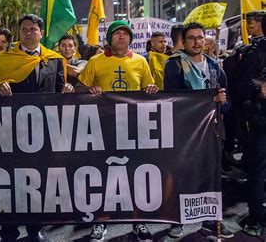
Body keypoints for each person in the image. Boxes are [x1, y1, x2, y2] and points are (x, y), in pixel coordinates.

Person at [0, 14, 73, 241]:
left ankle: (35, 229)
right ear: (19, 32)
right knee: (11, 181)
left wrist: (67, 89)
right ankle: (9, 230)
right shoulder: (6, 58)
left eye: (33, 29)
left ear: (41, 33)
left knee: (37, 180)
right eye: (24, 29)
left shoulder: (53, 59)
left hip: (43, 130)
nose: (28, 33)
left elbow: (60, 87)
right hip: (11, 131)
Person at [77, 20, 158, 242]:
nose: (121, 36)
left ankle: (138, 220)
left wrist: (151, 89)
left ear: (130, 39)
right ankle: (100, 222)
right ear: (110, 38)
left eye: (125, 33)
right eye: (117, 33)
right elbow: (79, 87)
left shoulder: (141, 62)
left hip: (133, 127)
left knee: (136, 174)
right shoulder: (95, 61)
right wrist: (88, 89)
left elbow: (149, 89)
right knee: (103, 175)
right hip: (103, 126)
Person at [163, 22, 233, 239]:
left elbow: (228, 105)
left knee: (210, 176)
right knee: (182, 175)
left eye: (200, 37)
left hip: (211, 131)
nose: (197, 41)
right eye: (192, 38)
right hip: (184, 131)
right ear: (183, 42)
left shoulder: (215, 67)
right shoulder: (174, 65)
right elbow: (172, 99)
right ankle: (178, 220)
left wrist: (222, 100)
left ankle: (210, 220)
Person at [239, 13, 266, 236]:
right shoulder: (253, 52)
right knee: (257, 170)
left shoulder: (252, 52)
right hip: (259, 120)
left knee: (257, 171)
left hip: (257, 121)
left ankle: (256, 219)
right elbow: (243, 88)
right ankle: (256, 217)